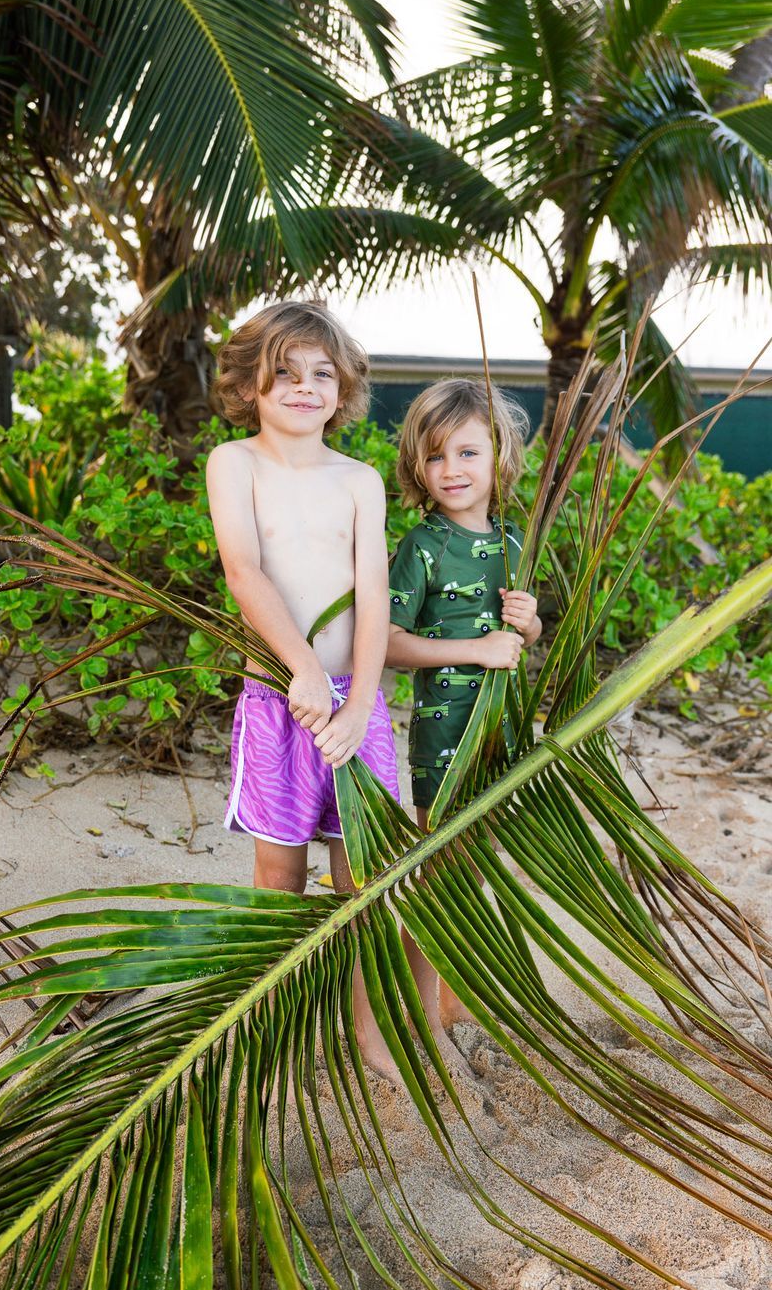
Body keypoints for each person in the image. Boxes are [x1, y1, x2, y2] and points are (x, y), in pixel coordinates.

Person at [207, 300, 402, 1079]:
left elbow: (376, 597)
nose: (303, 386)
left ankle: (366, 1031)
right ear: (251, 382)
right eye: (284, 372)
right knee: (279, 879)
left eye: (322, 373)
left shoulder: (360, 480)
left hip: (357, 706)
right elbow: (243, 569)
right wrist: (305, 669)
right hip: (279, 703)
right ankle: (272, 1031)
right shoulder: (235, 462)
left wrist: (357, 705)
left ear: (344, 387)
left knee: (364, 876)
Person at [386, 378, 542, 1042]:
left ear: (500, 458)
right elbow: (388, 643)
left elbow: (517, 642)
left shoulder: (512, 541)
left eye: (469, 453)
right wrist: (475, 647)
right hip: (445, 736)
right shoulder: (422, 546)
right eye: (437, 455)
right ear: (418, 467)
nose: (452, 469)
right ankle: (420, 1012)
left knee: (472, 867)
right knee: (438, 870)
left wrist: (529, 625)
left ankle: (456, 1002)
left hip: (500, 733)